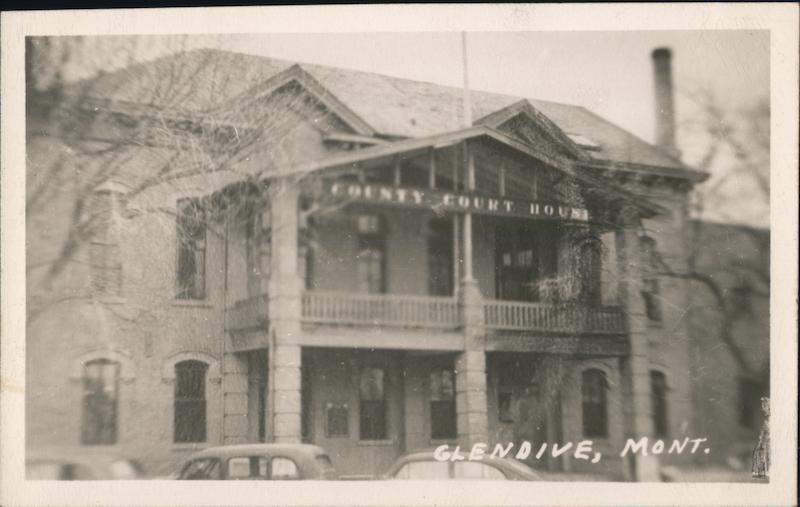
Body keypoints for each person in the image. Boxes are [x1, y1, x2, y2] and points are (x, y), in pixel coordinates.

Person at [751, 397, 769, 478]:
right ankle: (759, 472)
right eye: (763, 404)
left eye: (765, 404)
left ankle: (764, 471)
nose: (763, 406)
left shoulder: (768, 416)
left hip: (766, 437)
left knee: (763, 454)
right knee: (758, 453)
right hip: (762, 436)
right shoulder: (762, 415)